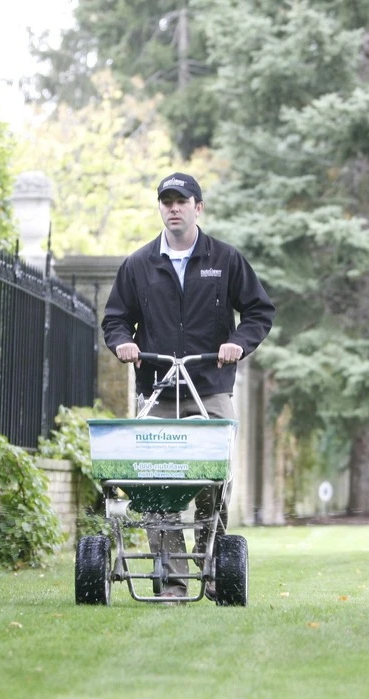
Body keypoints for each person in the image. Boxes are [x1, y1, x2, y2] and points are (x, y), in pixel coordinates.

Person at [102, 172, 275, 598]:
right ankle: (173, 581)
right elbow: (115, 319)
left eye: (182, 201)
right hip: (159, 390)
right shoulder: (140, 264)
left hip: (209, 386)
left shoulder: (225, 259)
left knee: (215, 479)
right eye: (167, 201)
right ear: (160, 208)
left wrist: (237, 343)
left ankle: (211, 561)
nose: (174, 208)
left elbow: (258, 312)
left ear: (199, 207)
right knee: (156, 483)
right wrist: (123, 343)